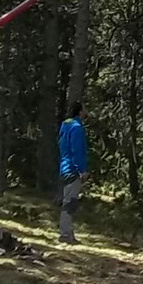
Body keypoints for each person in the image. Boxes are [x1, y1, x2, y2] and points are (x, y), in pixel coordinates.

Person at [57, 103, 87, 243]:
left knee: (68, 199)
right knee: (70, 202)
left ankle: (68, 232)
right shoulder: (77, 128)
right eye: (84, 109)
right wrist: (82, 170)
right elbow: (77, 151)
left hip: (64, 167)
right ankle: (65, 234)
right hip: (73, 169)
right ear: (80, 112)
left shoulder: (65, 126)